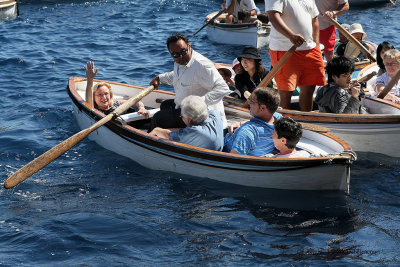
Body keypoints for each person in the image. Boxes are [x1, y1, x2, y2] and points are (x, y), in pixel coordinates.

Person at [149, 33, 231, 131]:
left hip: (200, 115)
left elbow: (223, 88)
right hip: (184, 107)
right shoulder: (180, 62)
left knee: (158, 118)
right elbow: (178, 76)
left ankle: (150, 139)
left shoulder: (202, 65)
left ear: (189, 46)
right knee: (165, 105)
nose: (180, 57)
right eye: (175, 54)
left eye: (183, 52)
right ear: (171, 54)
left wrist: (198, 103)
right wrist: (159, 78)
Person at [266, 0, 326, 112]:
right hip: (285, 49)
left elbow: (315, 20)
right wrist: (291, 36)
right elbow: (273, 16)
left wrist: (316, 45)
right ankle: (284, 123)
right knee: (285, 91)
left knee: (309, 88)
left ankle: (306, 119)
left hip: (311, 49)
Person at [149, 95, 224, 151]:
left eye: (181, 115)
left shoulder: (195, 131)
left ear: (189, 120)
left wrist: (156, 130)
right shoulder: (215, 115)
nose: (181, 117)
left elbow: (164, 134)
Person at [223, 87, 282, 156]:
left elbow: (234, 158)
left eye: (252, 101)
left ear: (262, 108)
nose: (249, 102)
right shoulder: (278, 119)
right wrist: (239, 123)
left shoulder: (248, 132)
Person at [84, 61, 149, 117]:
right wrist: (90, 80)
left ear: (110, 95)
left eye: (106, 94)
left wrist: (141, 108)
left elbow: (136, 102)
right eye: (100, 95)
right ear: (94, 98)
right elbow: (89, 100)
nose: (104, 98)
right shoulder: (96, 111)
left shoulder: (118, 103)